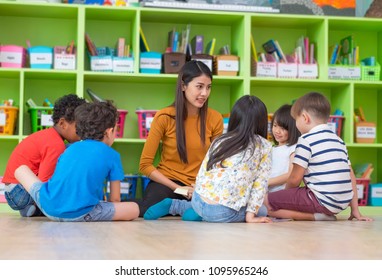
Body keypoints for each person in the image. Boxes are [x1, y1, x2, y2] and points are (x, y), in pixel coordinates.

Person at [144, 95, 273, 223]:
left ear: (235, 118)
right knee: (261, 210)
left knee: (213, 205)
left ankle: (177, 206)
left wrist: (197, 191)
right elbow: (260, 184)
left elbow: (205, 168)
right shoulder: (264, 146)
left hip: (199, 200)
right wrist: (250, 217)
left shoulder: (221, 140)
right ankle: (199, 214)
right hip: (222, 212)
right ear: (262, 122)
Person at [14, 101, 139, 222]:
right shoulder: (113, 155)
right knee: (134, 208)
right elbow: (115, 199)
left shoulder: (68, 148)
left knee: (21, 170)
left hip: (48, 207)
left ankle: (29, 206)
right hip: (82, 214)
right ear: (109, 132)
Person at [264, 92, 372, 221]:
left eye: (296, 120)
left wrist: (286, 195)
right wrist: (355, 210)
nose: (296, 125)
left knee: (266, 201)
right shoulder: (338, 140)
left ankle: (316, 216)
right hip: (341, 203)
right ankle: (322, 215)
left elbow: (295, 178)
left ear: (305, 118)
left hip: (320, 200)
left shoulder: (306, 140)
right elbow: (351, 175)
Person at [138, 60, 223, 217]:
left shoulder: (215, 118)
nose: (204, 93)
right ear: (183, 86)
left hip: (200, 185)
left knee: (220, 206)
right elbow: (145, 165)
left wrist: (201, 186)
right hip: (168, 184)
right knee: (148, 208)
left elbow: (217, 164)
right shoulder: (164, 116)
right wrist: (179, 189)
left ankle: (188, 209)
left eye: (208, 87)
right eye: (199, 86)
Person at [2, 94, 86, 217]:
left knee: (71, 149)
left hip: (13, 191)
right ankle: (37, 207)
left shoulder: (49, 136)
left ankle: (30, 208)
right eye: (79, 128)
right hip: (19, 193)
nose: (82, 133)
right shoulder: (55, 145)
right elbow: (44, 182)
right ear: (62, 123)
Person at [268, 104, 300, 193]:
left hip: (281, 193)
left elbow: (291, 174)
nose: (277, 131)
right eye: (275, 125)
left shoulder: (293, 148)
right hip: (268, 192)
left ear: (293, 129)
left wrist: (268, 182)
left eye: (282, 128)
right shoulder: (272, 148)